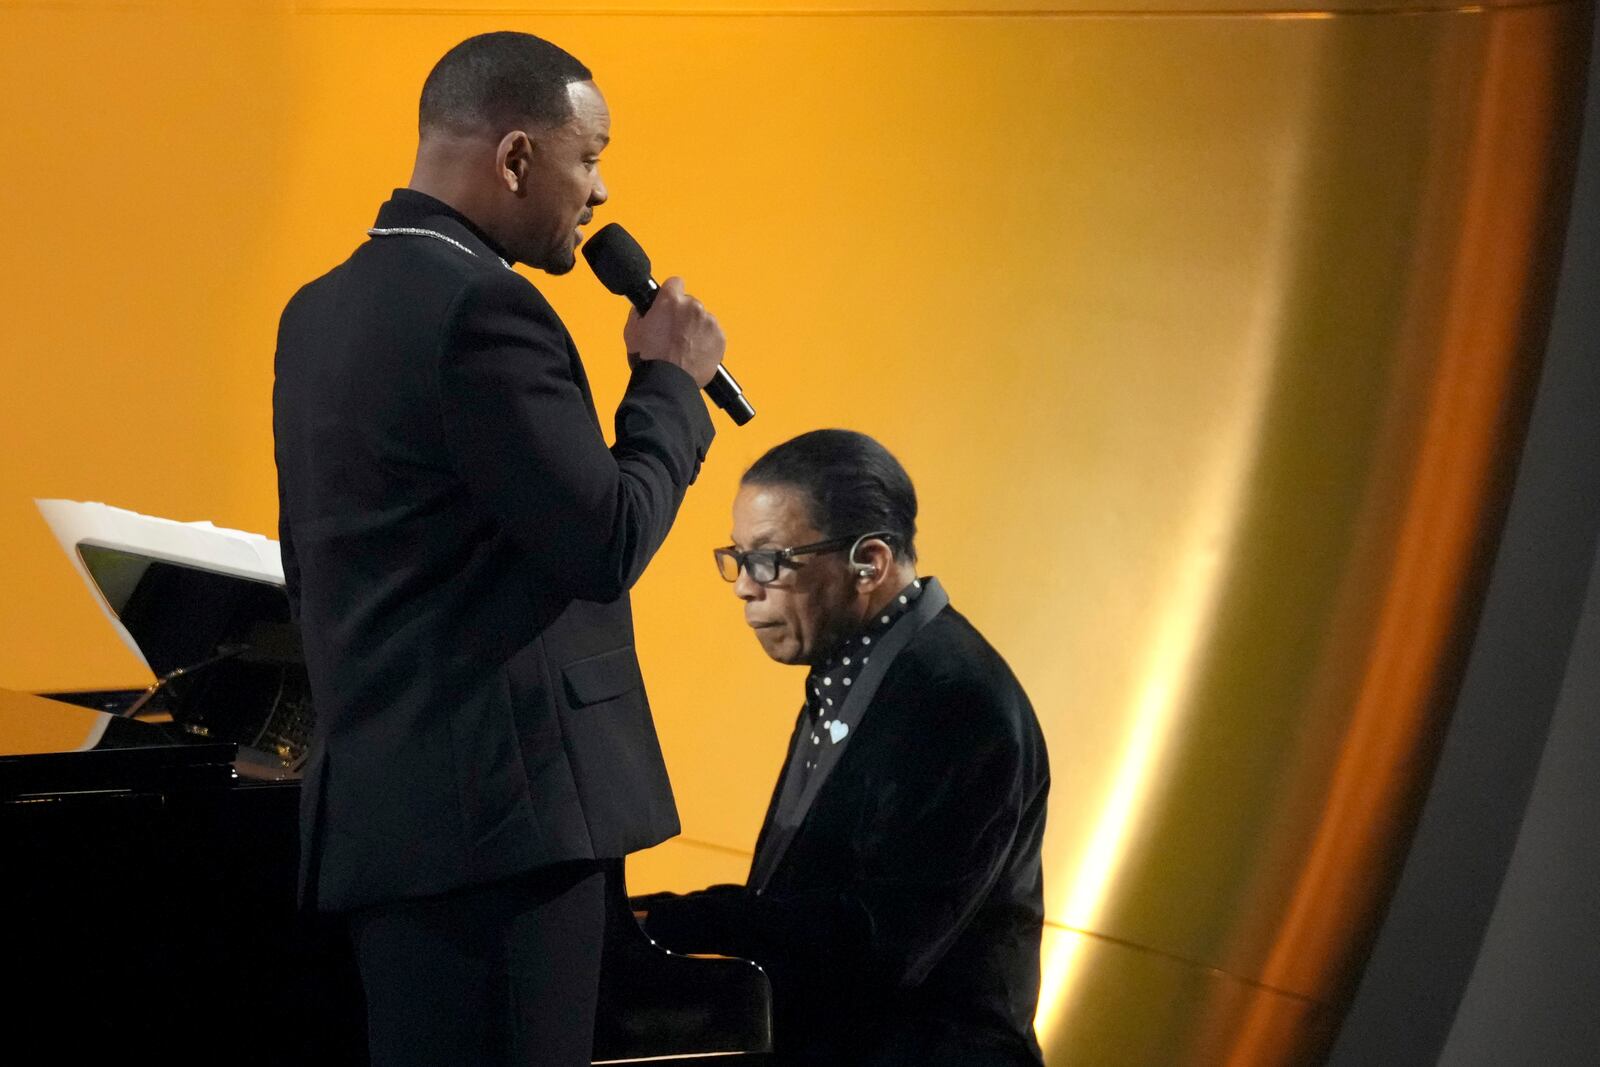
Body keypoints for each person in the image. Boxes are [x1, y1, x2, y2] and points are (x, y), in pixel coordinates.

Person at [271, 31, 726, 1067]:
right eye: (590, 156)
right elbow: (603, 538)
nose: (600, 191)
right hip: (499, 833)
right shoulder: (484, 308)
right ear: (518, 158)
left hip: (389, 823)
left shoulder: (317, 310)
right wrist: (667, 386)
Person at [636, 429, 1050, 1066]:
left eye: (769, 560)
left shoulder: (954, 698)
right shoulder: (865, 670)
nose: (746, 587)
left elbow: (876, 941)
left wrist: (673, 926)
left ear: (871, 562)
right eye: (739, 559)